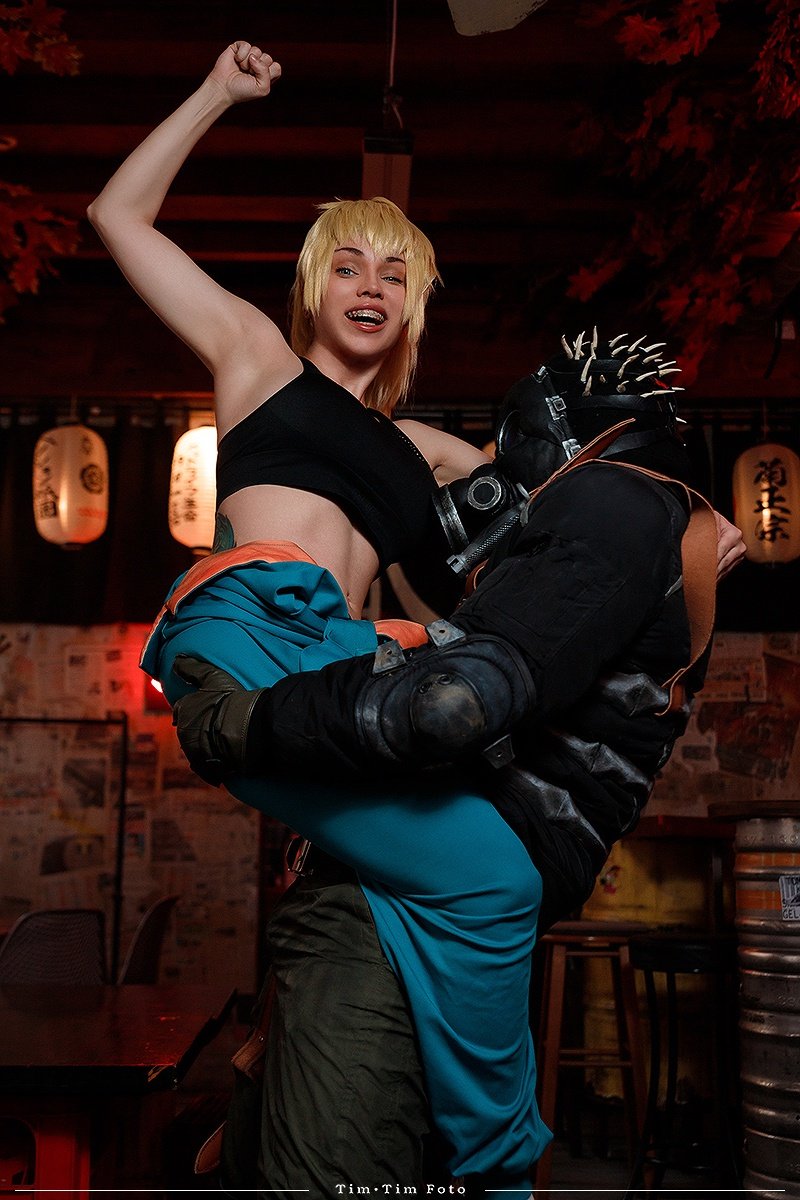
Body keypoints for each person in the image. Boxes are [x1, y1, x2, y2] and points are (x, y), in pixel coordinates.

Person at [88, 40, 555, 1194]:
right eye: (346, 265)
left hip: (347, 676)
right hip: (258, 638)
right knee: (489, 885)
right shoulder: (254, 358)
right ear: (313, 287)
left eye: (393, 273)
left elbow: (557, 502)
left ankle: (256, 1108)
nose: (368, 286)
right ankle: (499, 1165)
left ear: (413, 305)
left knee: (431, 872)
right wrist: (217, 93)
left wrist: (676, 519)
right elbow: (117, 217)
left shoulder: (421, 448)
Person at [172, 329, 741, 1190]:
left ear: (550, 431)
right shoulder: (635, 517)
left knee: (364, 1168)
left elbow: (453, 703)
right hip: (448, 866)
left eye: (508, 452)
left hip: (449, 872)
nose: (495, 474)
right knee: (451, 1152)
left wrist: (251, 724)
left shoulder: (613, 503)